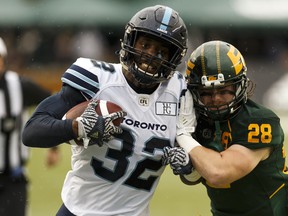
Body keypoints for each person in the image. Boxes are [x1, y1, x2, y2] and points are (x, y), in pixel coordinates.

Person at [22, 5, 188, 216]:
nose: (151, 56)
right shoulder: (98, 78)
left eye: (162, 51)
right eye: (145, 45)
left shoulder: (180, 93)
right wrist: (77, 128)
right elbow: (32, 131)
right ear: (130, 41)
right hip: (79, 212)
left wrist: (189, 165)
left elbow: (201, 160)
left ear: (174, 58)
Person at [162, 40, 288, 216]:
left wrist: (183, 136)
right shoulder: (197, 122)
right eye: (206, 93)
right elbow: (197, 176)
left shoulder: (260, 121)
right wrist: (188, 168)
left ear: (240, 85)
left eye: (224, 90)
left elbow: (219, 172)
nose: (216, 99)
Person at [0, 37, 61, 216]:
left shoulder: (19, 86)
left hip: (13, 179)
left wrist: (54, 144)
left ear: (4, 61)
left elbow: (55, 103)